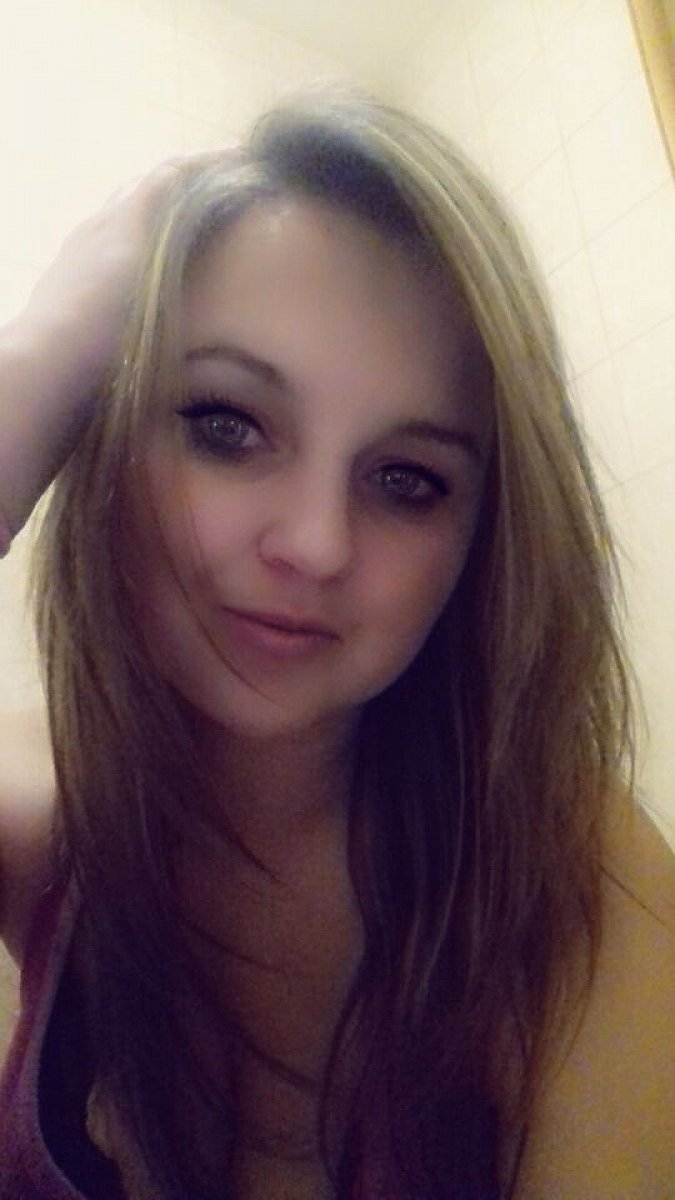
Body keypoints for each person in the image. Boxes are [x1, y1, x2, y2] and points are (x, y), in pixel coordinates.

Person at [0, 92, 674, 1200]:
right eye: (226, 424)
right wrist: (41, 354)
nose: (316, 544)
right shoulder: (38, 812)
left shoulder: (566, 868)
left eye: (408, 480)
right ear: (107, 429)